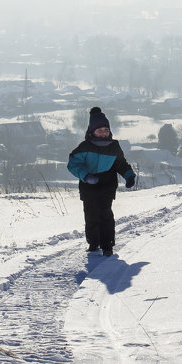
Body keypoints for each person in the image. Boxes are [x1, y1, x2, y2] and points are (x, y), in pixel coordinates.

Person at [67, 107, 136, 257]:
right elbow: (73, 164)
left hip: (107, 183)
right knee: (91, 214)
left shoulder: (114, 146)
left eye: (106, 129)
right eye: (100, 130)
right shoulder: (84, 147)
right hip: (88, 185)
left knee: (105, 214)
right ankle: (93, 242)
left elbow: (121, 164)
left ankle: (107, 245)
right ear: (92, 131)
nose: (104, 132)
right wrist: (85, 175)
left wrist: (129, 175)